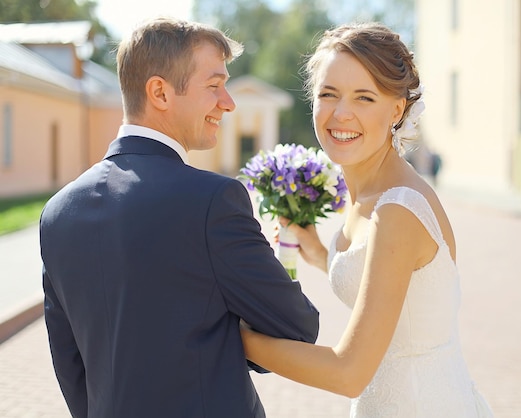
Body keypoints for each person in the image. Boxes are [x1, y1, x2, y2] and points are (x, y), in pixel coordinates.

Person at [39, 17, 319, 418]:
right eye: (213, 85)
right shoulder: (212, 200)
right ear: (160, 93)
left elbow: (69, 362)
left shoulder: (57, 212)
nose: (228, 101)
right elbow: (298, 326)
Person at [240, 22, 493, 417]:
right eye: (329, 94)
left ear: (397, 109)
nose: (341, 113)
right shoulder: (371, 195)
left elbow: (348, 372)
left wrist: (237, 339)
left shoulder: (398, 210)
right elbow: (390, 288)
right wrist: (321, 255)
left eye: (363, 98)